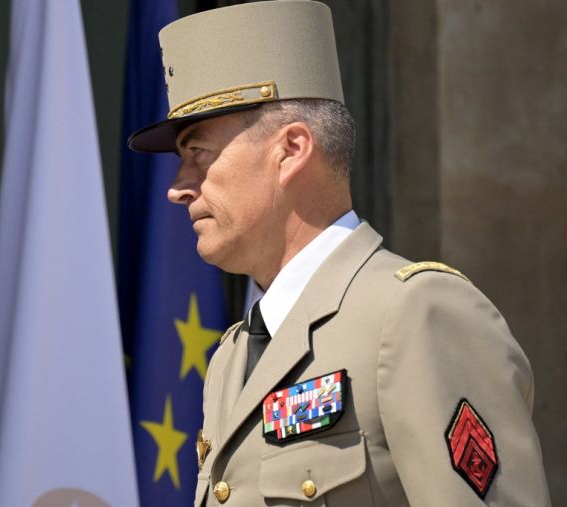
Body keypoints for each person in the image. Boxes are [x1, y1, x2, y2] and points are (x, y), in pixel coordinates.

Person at [127, 1, 551, 505]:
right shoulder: (233, 355)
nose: (178, 188)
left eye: (198, 154)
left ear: (291, 150)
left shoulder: (417, 315)